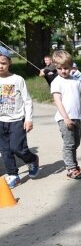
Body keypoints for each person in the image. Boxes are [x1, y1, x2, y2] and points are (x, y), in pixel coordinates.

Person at [0, 49, 38, 189]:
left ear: (9, 62)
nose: (0, 66)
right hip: (0, 121)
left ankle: (32, 159)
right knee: (5, 150)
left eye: (3, 63)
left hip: (16, 120)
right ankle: (13, 175)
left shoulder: (17, 79)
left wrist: (29, 119)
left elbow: (27, 101)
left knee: (17, 148)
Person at [50, 50, 81, 180]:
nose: (63, 71)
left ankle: (75, 166)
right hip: (64, 118)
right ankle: (70, 169)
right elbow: (57, 101)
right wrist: (65, 117)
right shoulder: (56, 82)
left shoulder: (76, 81)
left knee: (76, 143)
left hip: (77, 117)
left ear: (72, 67)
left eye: (66, 68)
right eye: (59, 68)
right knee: (69, 144)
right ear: (56, 68)